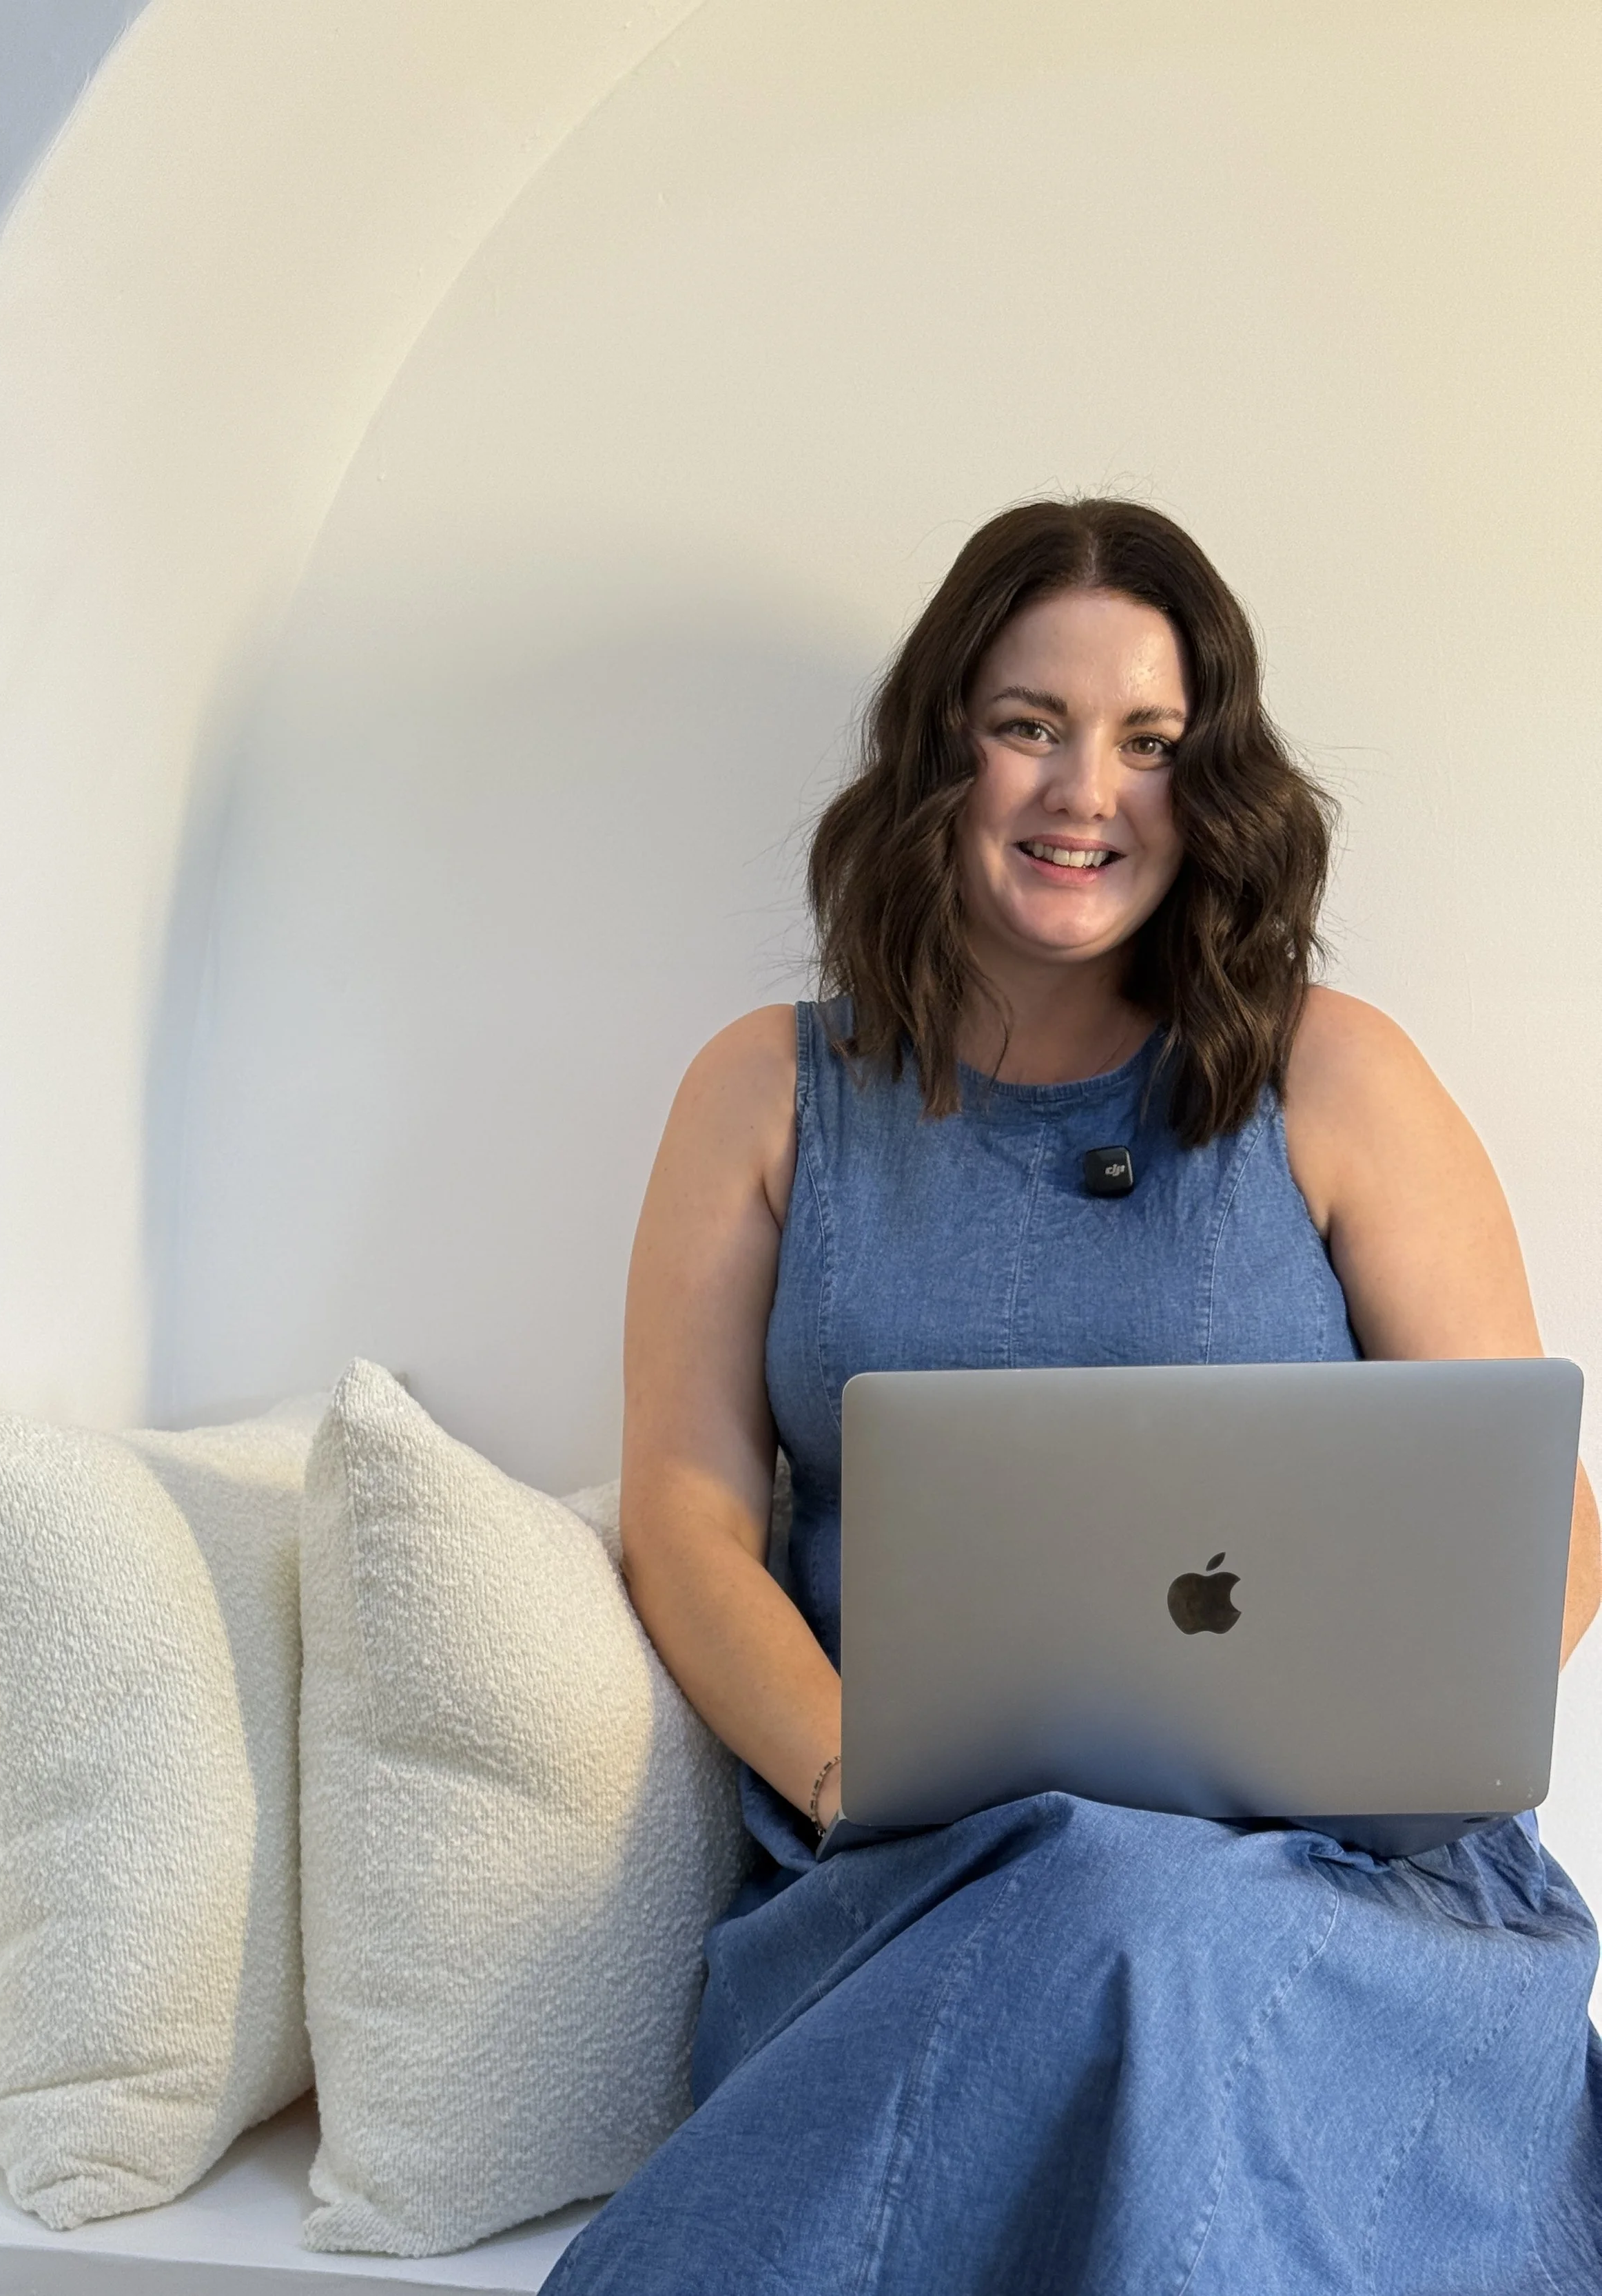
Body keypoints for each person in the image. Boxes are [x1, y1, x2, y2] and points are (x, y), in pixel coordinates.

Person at [542, 499, 1602, 2293]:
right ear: (938, 746)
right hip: (923, 1874)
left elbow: (1540, 1513)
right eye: (1026, 724)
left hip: (1335, 1896)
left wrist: (1363, 1756)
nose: (1079, 792)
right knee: (1109, 1920)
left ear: (1216, 787)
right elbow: (685, 1509)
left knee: (1158, 1934)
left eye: (1147, 743)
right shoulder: (764, 1095)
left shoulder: (1335, 1079)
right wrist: (841, 1762)